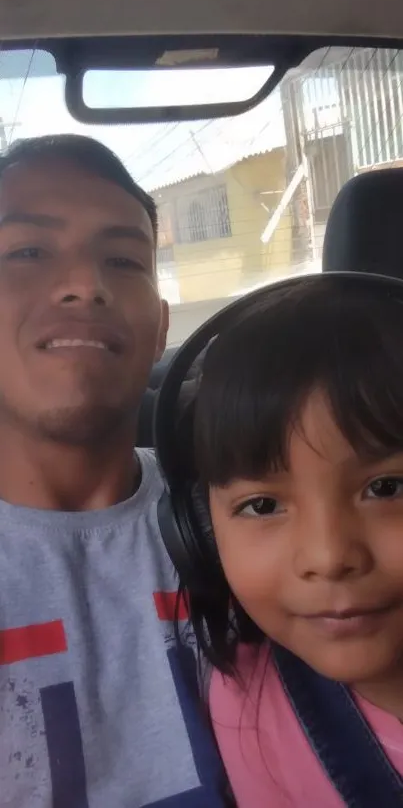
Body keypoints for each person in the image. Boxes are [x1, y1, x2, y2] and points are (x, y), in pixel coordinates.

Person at [0, 134, 227, 806]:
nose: (83, 285)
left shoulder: (252, 515)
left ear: (159, 328)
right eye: (27, 252)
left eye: (124, 259)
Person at [177, 274, 403, 806]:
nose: (328, 557)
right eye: (262, 505)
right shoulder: (249, 706)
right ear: (199, 534)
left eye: (388, 487)